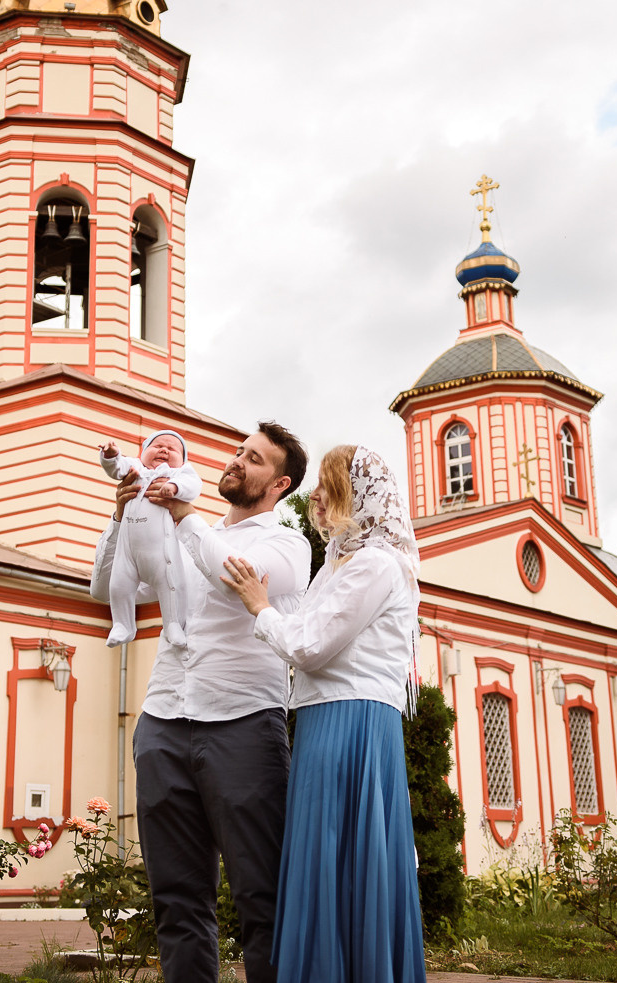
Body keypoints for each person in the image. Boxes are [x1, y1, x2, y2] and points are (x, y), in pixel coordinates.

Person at [92, 421, 310, 983]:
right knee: (176, 897)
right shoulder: (187, 531)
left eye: (255, 459)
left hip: (244, 725)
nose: (237, 461)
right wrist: (121, 517)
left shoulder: (287, 544)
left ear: (280, 484)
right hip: (163, 721)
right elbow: (103, 589)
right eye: (239, 451)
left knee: (262, 892)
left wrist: (183, 515)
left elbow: (232, 580)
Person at [214, 445, 426, 983]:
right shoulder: (338, 562)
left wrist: (260, 606)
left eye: (331, 485)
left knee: (340, 856)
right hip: (324, 718)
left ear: (357, 495)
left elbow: (308, 646)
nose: (319, 496)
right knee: (326, 859)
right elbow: (304, 636)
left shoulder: (376, 563)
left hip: (351, 721)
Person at [98, 430, 203, 647]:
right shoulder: (135, 468)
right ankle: (122, 624)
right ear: (143, 452)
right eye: (157, 446)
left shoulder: (178, 474)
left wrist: (174, 487)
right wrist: (111, 456)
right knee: (118, 585)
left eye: (172, 449)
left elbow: (193, 484)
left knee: (170, 584)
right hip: (127, 549)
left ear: (183, 461)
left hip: (160, 551)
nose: (164, 450)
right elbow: (117, 468)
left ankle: (173, 623)